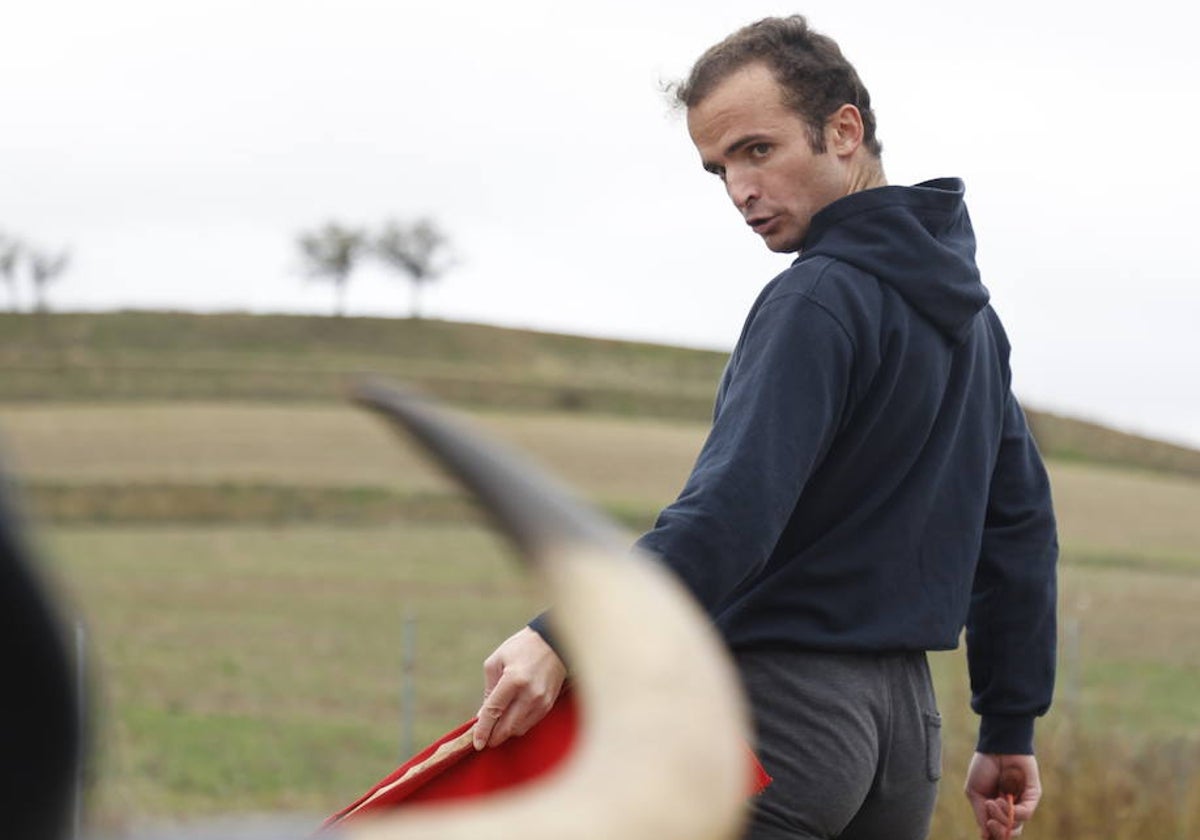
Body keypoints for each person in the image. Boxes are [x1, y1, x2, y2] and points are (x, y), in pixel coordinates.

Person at [472, 15, 1057, 840]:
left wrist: (565, 634)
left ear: (843, 130)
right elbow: (1022, 530)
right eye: (718, 170)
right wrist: (1007, 725)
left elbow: (731, 514)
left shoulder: (816, 298)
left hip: (777, 720)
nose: (740, 189)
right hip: (903, 745)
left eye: (757, 150)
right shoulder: (972, 321)